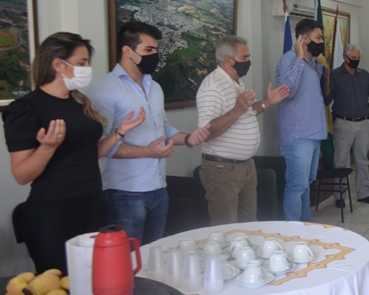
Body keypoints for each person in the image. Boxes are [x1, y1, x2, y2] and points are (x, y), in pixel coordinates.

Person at [3, 32, 145, 272]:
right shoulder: (25, 109)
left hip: (92, 205)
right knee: (60, 284)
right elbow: (21, 175)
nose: (87, 68)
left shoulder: (80, 103)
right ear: (58, 65)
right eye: (81, 62)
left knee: (96, 278)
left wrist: (120, 132)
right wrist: (48, 147)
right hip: (54, 211)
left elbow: (88, 154)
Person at [87, 22, 210, 245]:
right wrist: (147, 152)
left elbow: (163, 128)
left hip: (159, 188)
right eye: (148, 50)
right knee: (129, 258)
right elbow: (100, 146)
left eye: (156, 49)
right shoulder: (105, 89)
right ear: (128, 51)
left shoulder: (155, 87)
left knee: (154, 254)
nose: (155, 55)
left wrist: (188, 138)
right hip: (125, 191)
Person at [196, 36, 289, 225]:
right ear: (228, 60)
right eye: (244, 58)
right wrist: (238, 109)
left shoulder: (235, 82)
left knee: (249, 226)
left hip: (246, 167)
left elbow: (247, 113)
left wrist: (267, 102)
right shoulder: (213, 86)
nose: (248, 62)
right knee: (227, 228)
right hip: (222, 170)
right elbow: (206, 132)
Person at [275, 18, 328, 222]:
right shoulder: (289, 60)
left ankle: (305, 225)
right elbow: (286, 92)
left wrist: (318, 66)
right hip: (298, 136)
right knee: (297, 185)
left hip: (313, 133)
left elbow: (309, 89)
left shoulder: (310, 63)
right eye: (318, 37)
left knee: (306, 183)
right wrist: (298, 59)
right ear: (304, 39)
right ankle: (293, 230)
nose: (321, 42)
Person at [323, 43, 369, 206]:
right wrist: (327, 83)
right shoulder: (336, 75)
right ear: (345, 58)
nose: (356, 60)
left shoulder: (364, 75)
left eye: (358, 58)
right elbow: (327, 99)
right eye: (353, 58)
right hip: (343, 123)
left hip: (363, 123)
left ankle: (363, 193)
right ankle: (339, 196)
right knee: (341, 161)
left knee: (362, 160)